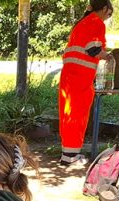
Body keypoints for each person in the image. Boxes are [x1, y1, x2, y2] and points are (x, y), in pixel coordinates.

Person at [59, 0, 114, 166]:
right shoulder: (96, 23)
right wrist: (108, 56)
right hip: (81, 78)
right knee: (78, 116)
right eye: (109, 13)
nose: (107, 18)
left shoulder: (80, 24)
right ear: (104, 8)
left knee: (68, 114)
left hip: (69, 76)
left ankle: (67, 154)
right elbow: (93, 49)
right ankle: (71, 157)